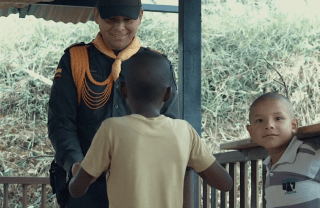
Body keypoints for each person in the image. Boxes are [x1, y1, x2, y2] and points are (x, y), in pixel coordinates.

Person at [47, 0, 178, 207]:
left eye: (127, 20)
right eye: (111, 19)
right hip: (86, 189)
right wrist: (76, 164)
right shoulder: (75, 60)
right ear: (97, 15)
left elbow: (169, 124)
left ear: (141, 17)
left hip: (141, 188)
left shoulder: (157, 65)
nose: (119, 27)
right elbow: (61, 123)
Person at [68, 51, 233, 208]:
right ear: (168, 93)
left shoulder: (111, 129)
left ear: (123, 88)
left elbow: (76, 190)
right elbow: (225, 183)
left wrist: (78, 170)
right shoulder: (184, 131)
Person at [246, 92, 320, 208]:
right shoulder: (269, 166)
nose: (269, 125)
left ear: (294, 125)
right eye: (260, 120)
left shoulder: (310, 155)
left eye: (278, 118)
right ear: (251, 131)